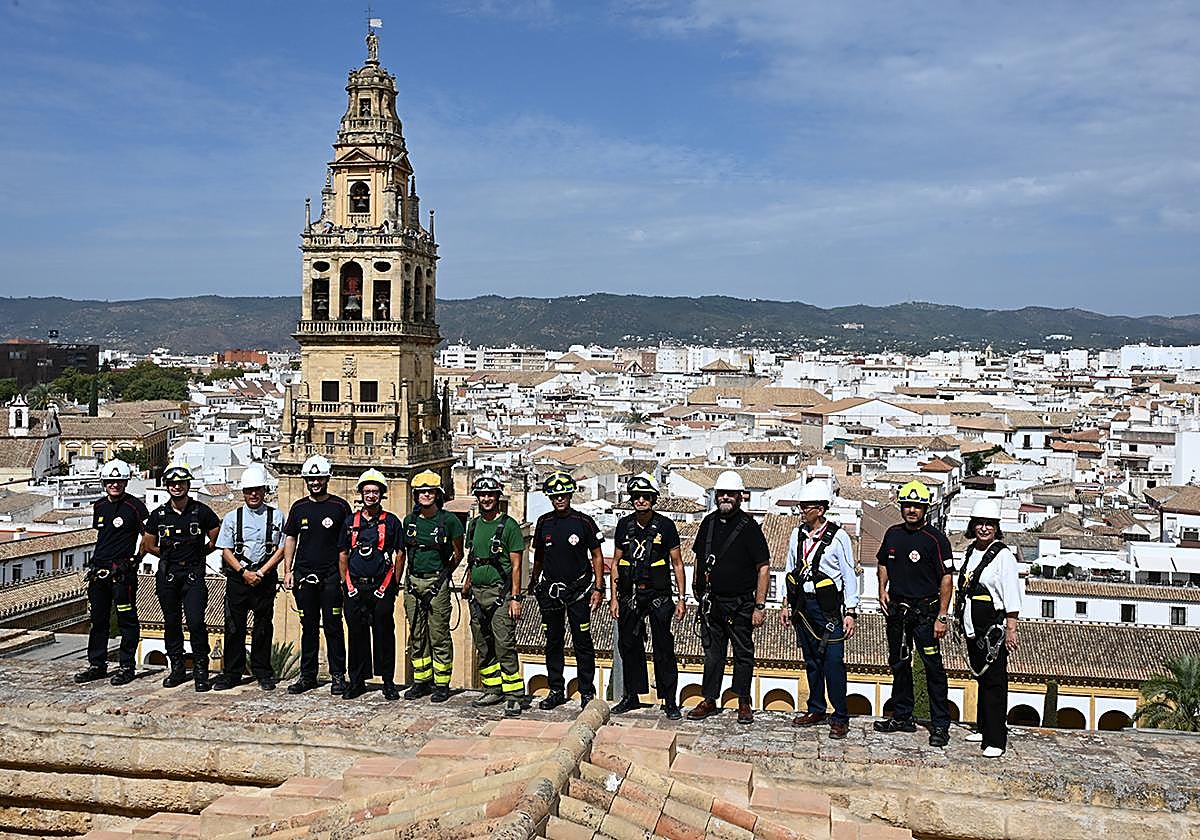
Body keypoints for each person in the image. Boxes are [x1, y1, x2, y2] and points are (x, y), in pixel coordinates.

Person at [874, 480, 954, 747]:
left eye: (916, 506)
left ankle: (940, 725)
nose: (911, 510)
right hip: (897, 612)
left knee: (933, 668)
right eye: (907, 505)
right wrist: (882, 588)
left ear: (925, 509)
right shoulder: (893, 534)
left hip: (926, 615)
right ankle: (901, 716)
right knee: (898, 664)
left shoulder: (936, 540)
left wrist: (942, 616)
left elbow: (946, 579)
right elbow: (883, 561)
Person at [688, 470, 770, 725]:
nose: (725, 497)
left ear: (740, 497)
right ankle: (710, 698)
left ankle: (743, 700)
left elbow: (763, 567)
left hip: (741, 604)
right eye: (721, 493)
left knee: (743, 653)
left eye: (730, 494)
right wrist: (696, 587)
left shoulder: (749, 527)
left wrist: (759, 605)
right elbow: (700, 558)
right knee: (713, 653)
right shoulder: (708, 523)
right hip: (712, 602)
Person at [781, 482, 858, 739]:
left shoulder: (839, 537)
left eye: (806, 507)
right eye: (801, 506)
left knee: (833, 661)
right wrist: (785, 603)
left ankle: (840, 715)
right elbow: (790, 568)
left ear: (821, 509)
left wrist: (851, 611)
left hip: (828, 609)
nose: (802, 511)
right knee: (811, 659)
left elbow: (849, 575)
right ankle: (816, 708)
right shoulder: (797, 535)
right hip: (803, 605)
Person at [609, 473, 686, 719]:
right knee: (629, 645)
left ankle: (670, 700)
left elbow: (677, 563)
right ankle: (632, 695)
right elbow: (616, 562)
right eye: (636, 497)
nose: (640, 500)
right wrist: (613, 597)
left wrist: (682, 598)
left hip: (659, 594)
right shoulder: (624, 525)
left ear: (653, 499)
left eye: (645, 496)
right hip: (630, 594)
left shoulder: (665, 526)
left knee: (664, 647)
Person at [528, 471, 604, 710]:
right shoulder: (543, 522)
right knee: (553, 642)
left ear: (570, 495)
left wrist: (599, 588)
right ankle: (556, 690)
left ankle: (587, 692)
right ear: (550, 498)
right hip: (551, 593)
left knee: (583, 642)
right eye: (555, 496)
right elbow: (538, 556)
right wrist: (533, 581)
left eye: (563, 495)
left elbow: (597, 556)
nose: (559, 499)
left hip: (579, 592)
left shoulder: (584, 522)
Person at [143, 463, 221, 692]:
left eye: (181, 483)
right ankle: (176, 668)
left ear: (188, 485)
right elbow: (148, 544)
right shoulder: (158, 515)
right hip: (168, 574)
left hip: (193, 574)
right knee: (171, 622)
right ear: (167, 487)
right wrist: (169, 556)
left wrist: (196, 555)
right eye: (172, 484)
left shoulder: (201, 511)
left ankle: (201, 670)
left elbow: (215, 538)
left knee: (196, 621)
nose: (177, 487)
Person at [282, 454, 352, 695]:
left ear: (326, 478)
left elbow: (347, 544)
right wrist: (287, 571)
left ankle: (338, 676)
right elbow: (290, 538)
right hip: (304, 576)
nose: (314, 482)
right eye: (310, 479)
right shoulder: (298, 507)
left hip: (331, 576)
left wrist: (345, 578)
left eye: (318, 478)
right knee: (308, 627)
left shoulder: (340, 507)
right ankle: (307, 676)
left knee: (333, 626)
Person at [956, 498, 1021, 758]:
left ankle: (996, 738)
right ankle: (983, 727)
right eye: (980, 524)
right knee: (981, 677)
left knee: (995, 681)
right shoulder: (971, 552)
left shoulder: (1003, 555)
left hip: (992, 627)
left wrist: (1011, 629)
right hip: (973, 625)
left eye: (989, 524)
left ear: (996, 527)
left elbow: (1011, 595)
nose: (984, 529)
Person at [75, 458, 148, 687]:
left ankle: (126, 666)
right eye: (110, 481)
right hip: (99, 572)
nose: (114, 485)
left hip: (122, 574)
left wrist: (137, 558)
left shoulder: (135, 506)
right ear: (104, 482)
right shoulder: (99, 506)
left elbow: (148, 535)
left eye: (118, 481)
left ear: (125, 482)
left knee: (127, 619)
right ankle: (97, 664)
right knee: (98, 620)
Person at [213, 464, 285, 691]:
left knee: (263, 626)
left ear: (264, 490)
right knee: (234, 626)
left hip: (265, 577)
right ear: (243, 492)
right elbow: (225, 549)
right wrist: (243, 573)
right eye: (248, 490)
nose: (253, 494)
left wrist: (261, 572)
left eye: (257, 489)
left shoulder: (277, 516)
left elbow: (282, 548)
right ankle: (232, 673)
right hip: (239, 577)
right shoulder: (233, 518)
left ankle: (262, 672)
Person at [461, 474, 528, 716]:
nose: (486, 499)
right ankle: (493, 688)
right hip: (477, 594)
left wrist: (515, 598)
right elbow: (473, 559)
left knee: (504, 644)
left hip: (501, 594)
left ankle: (513, 695)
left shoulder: (509, 526)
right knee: (483, 643)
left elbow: (517, 565)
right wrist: (467, 584)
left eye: (490, 495)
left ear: (498, 497)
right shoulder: (475, 524)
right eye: (482, 495)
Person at [338, 469, 404, 700]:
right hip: (355, 588)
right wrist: (347, 584)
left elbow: (399, 553)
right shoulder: (350, 522)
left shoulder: (392, 522)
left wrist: (393, 584)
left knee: (384, 633)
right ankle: (357, 681)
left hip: (382, 587)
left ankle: (387, 681)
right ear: (361, 494)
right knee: (356, 634)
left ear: (381, 494)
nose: (371, 496)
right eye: (367, 491)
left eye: (375, 492)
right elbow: (343, 554)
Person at [401, 470, 465, 702]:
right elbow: (403, 553)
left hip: (437, 583)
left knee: (438, 634)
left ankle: (441, 684)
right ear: (416, 495)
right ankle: (421, 681)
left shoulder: (449, 521)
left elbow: (459, 553)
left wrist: (443, 575)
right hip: (412, 582)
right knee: (417, 634)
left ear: (437, 495)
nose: (425, 495)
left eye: (430, 492)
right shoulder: (409, 521)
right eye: (421, 492)